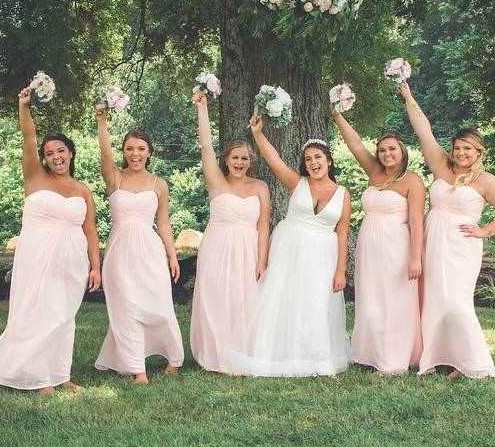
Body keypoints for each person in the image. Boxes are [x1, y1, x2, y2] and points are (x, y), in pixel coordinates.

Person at [0, 86, 101, 394]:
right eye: (50, 153)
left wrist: (96, 267)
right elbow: (28, 138)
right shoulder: (35, 177)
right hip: (37, 255)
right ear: (43, 158)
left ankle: (61, 374)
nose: (56, 156)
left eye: (61, 151)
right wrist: (24, 105)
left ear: (71, 153)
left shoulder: (83, 190)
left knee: (63, 316)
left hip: (72, 260)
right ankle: (35, 376)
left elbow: (90, 231)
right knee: (37, 311)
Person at [399, 83, 495, 379]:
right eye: (457, 148)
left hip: (462, 246)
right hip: (433, 239)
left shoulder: (487, 181)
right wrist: (408, 95)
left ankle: (473, 362)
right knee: (435, 299)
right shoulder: (442, 167)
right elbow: (423, 130)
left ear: (479, 152)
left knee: (456, 302)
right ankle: (442, 359)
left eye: (468, 149)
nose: (461, 153)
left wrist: (485, 231)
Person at [223, 115, 352, 377]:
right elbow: (273, 159)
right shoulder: (297, 183)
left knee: (316, 302)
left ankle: (317, 360)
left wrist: (341, 271)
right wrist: (258, 134)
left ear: (329, 160)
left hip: (323, 254)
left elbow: (342, 234)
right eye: (308, 159)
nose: (313, 162)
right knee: (282, 299)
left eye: (318, 157)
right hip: (290, 247)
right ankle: (269, 356)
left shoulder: (343, 194)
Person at [92, 105, 184, 384]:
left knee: (159, 304)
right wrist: (102, 122)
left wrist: (173, 255)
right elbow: (105, 155)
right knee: (126, 307)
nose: (135, 154)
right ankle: (137, 369)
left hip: (150, 250)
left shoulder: (159, 184)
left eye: (141, 149)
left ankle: (174, 357)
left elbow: (164, 223)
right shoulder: (114, 178)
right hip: (120, 250)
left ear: (149, 153)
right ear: (124, 152)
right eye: (130, 148)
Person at [332, 108, 425, 375]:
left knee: (394, 301)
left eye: (392, 150)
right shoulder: (374, 171)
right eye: (382, 150)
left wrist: (415, 257)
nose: (386, 155)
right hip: (369, 244)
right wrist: (338, 116)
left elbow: (417, 221)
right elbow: (355, 144)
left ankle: (394, 360)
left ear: (403, 152)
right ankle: (369, 353)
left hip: (397, 246)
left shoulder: (412, 181)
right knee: (370, 298)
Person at [189, 90, 270, 373]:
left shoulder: (260, 187)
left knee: (243, 300)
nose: (239, 163)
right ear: (226, 160)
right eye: (235, 158)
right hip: (217, 247)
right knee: (216, 298)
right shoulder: (216, 182)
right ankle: (214, 354)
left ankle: (241, 353)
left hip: (248, 249)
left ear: (251, 161)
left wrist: (262, 260)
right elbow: (205, 147)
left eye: (244, 159)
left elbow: (263, 226)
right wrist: (202, 108)